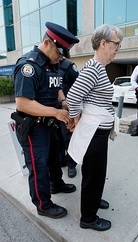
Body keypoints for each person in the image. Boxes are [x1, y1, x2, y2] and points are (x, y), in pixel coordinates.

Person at [12, 22, 79, 219]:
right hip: (33, 127)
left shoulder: (53, 64)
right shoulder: (29, 66)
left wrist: (64, 102)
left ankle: (56, 184)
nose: (61, 57)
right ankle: (43, 204)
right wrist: (55, 112)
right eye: (59, 51)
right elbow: (23, 103)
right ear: (47, 42)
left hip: (49, 122)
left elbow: (56, 87)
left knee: (54, 158)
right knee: (38, 165)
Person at [66, 24, 124, 231]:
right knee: (94, 175)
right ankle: (88, 218)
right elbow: (73, 97)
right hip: (93, 133)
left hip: (98, 131)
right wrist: (74, 119)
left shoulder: (99, 67)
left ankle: (94, 200)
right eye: (117, 43)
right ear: (103, 43)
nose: (119, 48)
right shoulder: (93, 68)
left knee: (97, 173)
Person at [58, 58, 78, 178]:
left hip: (67, 109)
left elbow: (79, 87)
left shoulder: (68, 66)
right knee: (57, 138)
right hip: (52, 109)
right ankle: (61, 160)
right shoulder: (47, 65)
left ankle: (71, 164)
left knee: (68, 138)